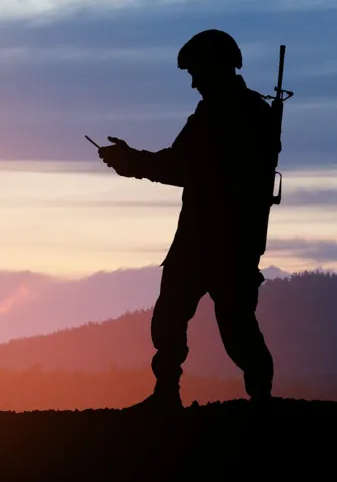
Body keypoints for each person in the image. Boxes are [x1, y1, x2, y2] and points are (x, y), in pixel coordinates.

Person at [97, 29, 278, 411]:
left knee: (233, 326)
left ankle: (259, 399)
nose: (193, 82)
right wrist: (135, 161)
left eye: (196, 71)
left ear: (216, 67)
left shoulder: (235, 114)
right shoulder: (226, 111)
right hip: (205, 239)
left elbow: (183, 165)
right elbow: (184, 163)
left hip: (224, 242)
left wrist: (133, 162)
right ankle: (173, 394)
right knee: (175, 316)